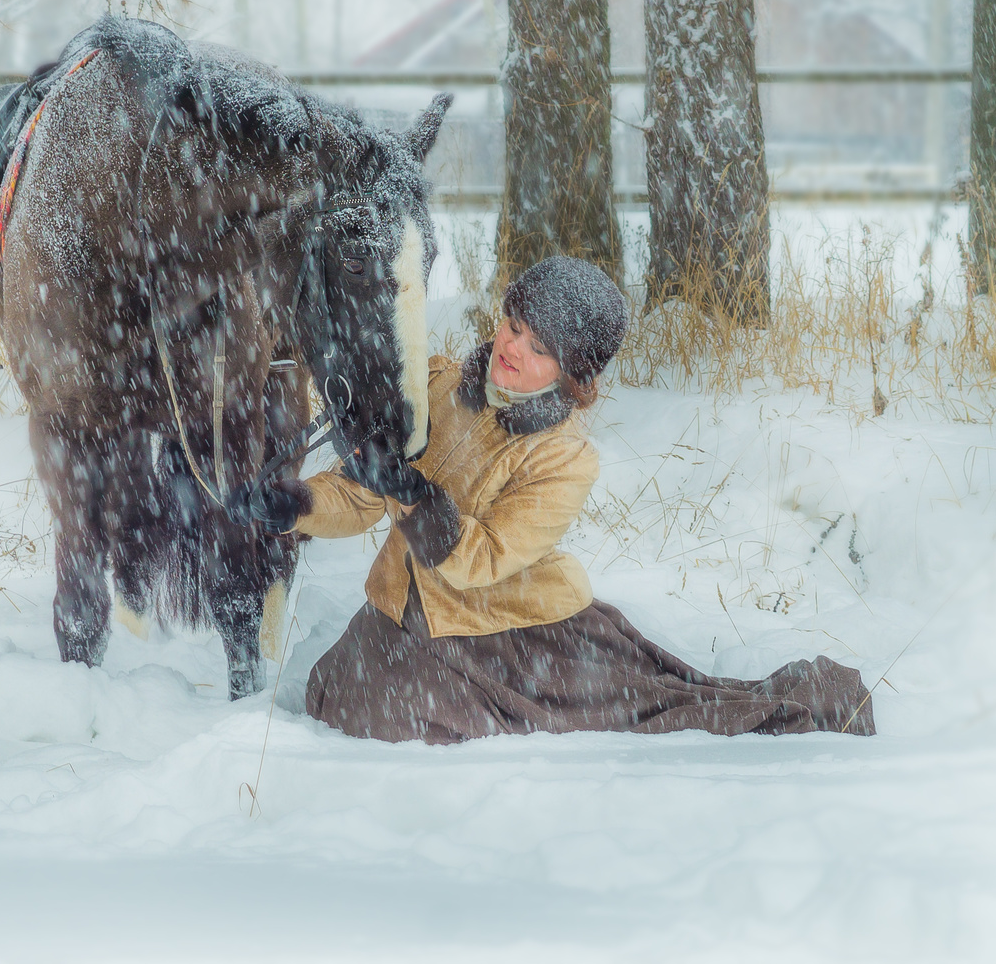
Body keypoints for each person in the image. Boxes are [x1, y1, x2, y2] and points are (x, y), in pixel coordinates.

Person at [232, 256, 875, 745]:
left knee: (656, 711)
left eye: (542, 349)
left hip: (509, 631)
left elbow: (482, 560)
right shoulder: (435, 385)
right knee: (337, 695)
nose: (514, 348)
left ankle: (808, 707)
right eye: (515, 326)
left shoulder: (564, 460)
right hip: (406, 613)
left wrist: (412, 491)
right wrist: (296, 503)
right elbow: (362, 493)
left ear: (575, 376)